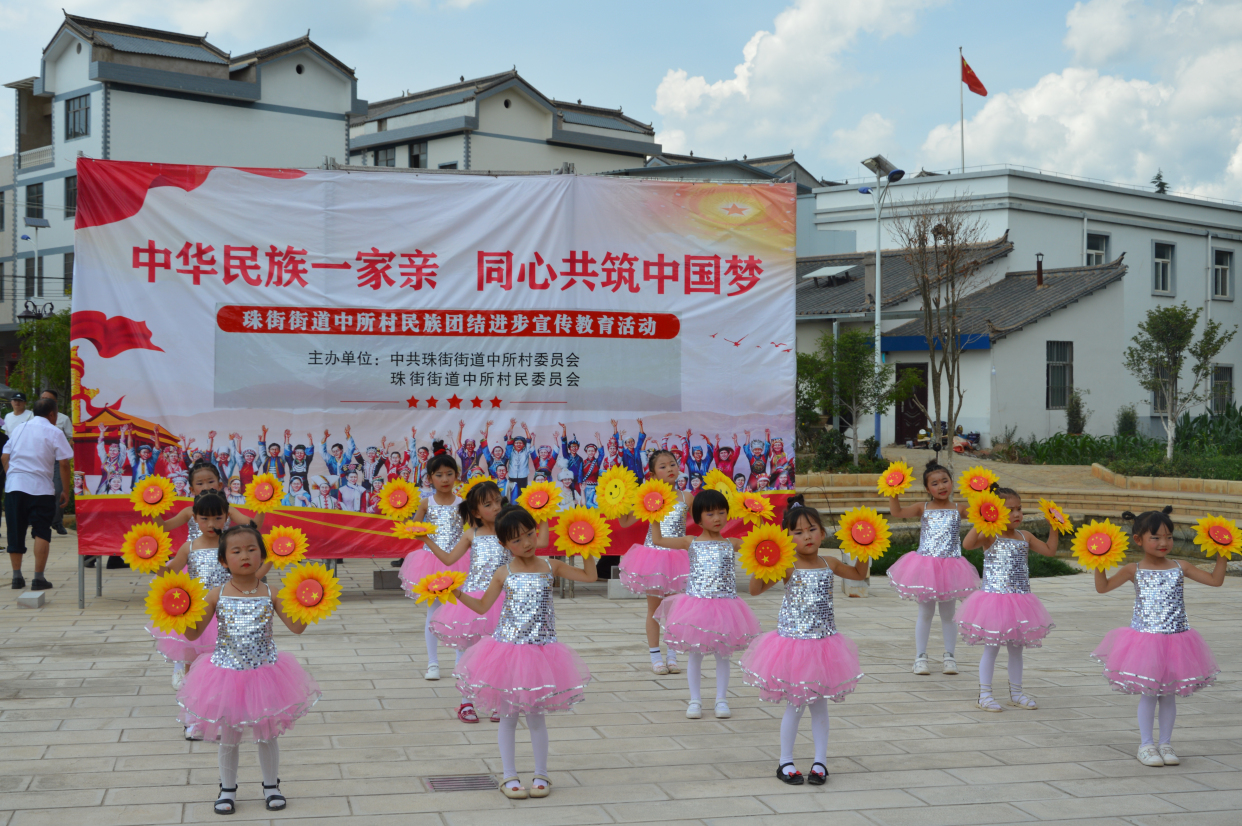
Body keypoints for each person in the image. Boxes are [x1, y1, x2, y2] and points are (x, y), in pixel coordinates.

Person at [451, 504, 595, 799]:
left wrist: (586, 546)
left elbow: (590, 577)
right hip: (507, 652)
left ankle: (541, 774)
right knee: (508, 716)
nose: (526, 543)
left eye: (529, 534)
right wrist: (456, 592)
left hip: (541, 652)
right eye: (516, 540)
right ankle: (509, 776)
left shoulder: (550, 566)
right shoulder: (503, 572)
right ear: (504, 544)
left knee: (537, 717)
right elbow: (481, 607)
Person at [178, 524, 322, 815]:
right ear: (223, 560)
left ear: (262, 555)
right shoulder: (216, 594)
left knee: (267, 733)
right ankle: (227, 789)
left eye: (252, 549)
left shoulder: (271, 592)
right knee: (229, 735)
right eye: (236, 550)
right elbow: (194, 635)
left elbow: (297, 628)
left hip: (265, 675)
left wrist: (310, 605)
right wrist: (180, 611)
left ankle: (271, 786)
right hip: (225, 675)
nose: (245, 555)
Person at [740, 496, 867, 785]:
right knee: (795, 704)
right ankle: (785, 761)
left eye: (812, 529)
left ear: (822, 533)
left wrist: (864, 547)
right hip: (793, 645)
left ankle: (820, 761)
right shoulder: (787, 565)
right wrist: (763, 561)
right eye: (797, 532)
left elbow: (860, 574)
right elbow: (755, 589)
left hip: (824, 646)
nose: (806, 536)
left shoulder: (830, 562)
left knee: (820, 705)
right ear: (787, 537)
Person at [1092, 507, 1223, 767]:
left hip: (1177, 640)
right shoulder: (1134, 569)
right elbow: (1103, 587)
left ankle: (1165, 743)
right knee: (1149, 693)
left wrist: (1222, 551)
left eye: (1169, 536)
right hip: (1145, 641)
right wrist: (1098, 559)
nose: (1164, 543)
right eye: (1156, 537)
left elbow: (1215, 581)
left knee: (1169, 694)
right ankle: (1146, 745)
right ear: (1138, 540)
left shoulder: (1180, 566)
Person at [652, 489, 761, 720]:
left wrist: (757, 515)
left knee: (724, 654)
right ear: (698, 517)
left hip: (726, 606)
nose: (717, 518)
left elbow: (759, 543)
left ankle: (721, 699)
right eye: (710, 514)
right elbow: (659, 540)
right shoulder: (690, 541)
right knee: (695, 654)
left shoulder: (732, 543)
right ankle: (695, 700)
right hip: (696, 606)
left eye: (722, 512)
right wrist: (652, 514)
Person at [957, 484, 1059, 713]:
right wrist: (981, 518)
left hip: (1020, 601)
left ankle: (1016, 692)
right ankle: (984, 694)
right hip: (994, 601)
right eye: (1010, 509)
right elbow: (967, 544)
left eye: (1019, 509)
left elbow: (1050, 551)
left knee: (1016, 649)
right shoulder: (990, 536)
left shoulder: (1026, 536)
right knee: (991, 648)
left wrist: (1055, 526)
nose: (1016, 514)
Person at [425, 480, 509, 723]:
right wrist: (427, 540)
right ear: (475, 512)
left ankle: (497, 700)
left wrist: (542, 518)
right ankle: (466, 702)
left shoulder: (509, 531)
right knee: (466, 651)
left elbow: (536, 545)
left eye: (498, 501)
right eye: (488, 504)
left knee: (499, 650)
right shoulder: (471, 534)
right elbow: (450, 559)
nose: (495, 507)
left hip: (503, 600)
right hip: (472, 600)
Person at [885, 460, 980, 676]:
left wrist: (980, 493)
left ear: (952, 483)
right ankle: (920, 657)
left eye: (945, 481)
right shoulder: (923, 507)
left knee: (948, 614)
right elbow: (897, 512)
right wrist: (893, 490)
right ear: (927, 489)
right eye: (935, 483)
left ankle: (949, 656)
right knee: (925, 613)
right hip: (926, 567)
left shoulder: (960, 508)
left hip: (952, 567)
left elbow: (982, 514)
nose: (941, 486)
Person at [617, 449, 691, 675]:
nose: (670, 469)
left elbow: (708, 518)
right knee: (654, 608)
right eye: (663, 466)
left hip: (678, 557)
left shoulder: (686, 497)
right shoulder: (648, 496)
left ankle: (672, 654)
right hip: (654, 558)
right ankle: (655, 656)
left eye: (673, 464)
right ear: (652, 473)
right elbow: (626, 522)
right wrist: (621, 503)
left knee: (674, 608)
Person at [397, 444, 468, 680]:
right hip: (431, 562)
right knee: (433, 611)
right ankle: (433, 663)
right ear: (430, 479)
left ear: (457, 476)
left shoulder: (463, 503)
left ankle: (460, 661)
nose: (445, 479)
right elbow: (414, 529)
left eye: (449, 474)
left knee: (461, 611)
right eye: (439, 475)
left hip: (460, 561)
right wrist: (407, 521)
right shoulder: (426, 503)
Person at [3, 397, 71, 590]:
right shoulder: (54, 431)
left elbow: (4, 456)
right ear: (52, 414)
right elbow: (64, 463)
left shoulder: (19, 429)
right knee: (41, 530)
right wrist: (65, 490)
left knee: (15, 531)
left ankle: (17, 577)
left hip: (14, 487)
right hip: (41, 489)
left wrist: (14, 475)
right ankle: (38, 578)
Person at [39, 391, 72, 536]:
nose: (45, 401)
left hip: (57, 461)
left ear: (55, 403)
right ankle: (40, 521)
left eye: (48, 399)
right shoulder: (32, 418)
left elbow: (72, 437)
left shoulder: (63, 419)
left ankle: (57, 522)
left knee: (58, 490)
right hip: (40, 460)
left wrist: (65, 449)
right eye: (43, 398)